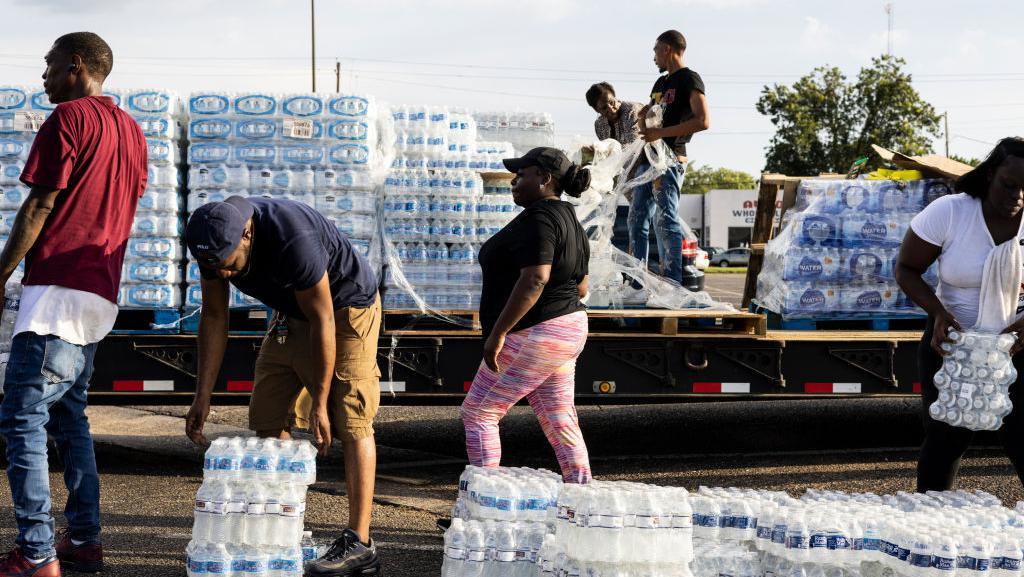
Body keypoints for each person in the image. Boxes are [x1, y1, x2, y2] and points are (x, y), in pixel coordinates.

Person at [0, 33, 147, 576]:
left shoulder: (67, 120)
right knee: (69, 418)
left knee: (21, 418)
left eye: (49, 65)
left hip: (55, 291)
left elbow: (40, 203)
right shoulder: (133, 132)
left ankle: (37, 553)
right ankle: (84, 540)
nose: (43, 76)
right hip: (99, 294)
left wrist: (1, 275)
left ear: (75, 65)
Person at [183, 196, 383, 577]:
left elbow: (323, 319)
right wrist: (202, 395)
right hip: (292, 311)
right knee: (268, 415)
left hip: (345, 309)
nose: (223, 275)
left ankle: (361, 542)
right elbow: (213, 316)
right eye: (213, 267)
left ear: (247, 233)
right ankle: (278, 529)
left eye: (228, 266)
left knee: (351, 418)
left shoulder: (293, 239)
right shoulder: (212, 241)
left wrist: (320, 403)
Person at [896, 137, 1024, 491]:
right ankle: (929, 530)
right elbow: (906, 268)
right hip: (952, 344)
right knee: (946, 439)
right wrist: (937, 313)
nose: (1018, 197)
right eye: (1010, 185)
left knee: (1022, 437)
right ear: (989, 176)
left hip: (1015, 348)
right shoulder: (951, 212)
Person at [461, 147, 594, 483]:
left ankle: (484, 507)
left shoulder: (540, 218)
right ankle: (580, 502)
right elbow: (581, 287)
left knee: (479, 412)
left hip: (535, 331)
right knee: (559, 418)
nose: (514, 181)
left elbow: (536, 278)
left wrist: (498, 333)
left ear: (545, 178)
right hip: (569, 328)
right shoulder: (571, 222)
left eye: (522, 174)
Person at [633, 29, 710, 287]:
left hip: (670, 160)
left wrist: (661, 133)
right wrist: (643, 117)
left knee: (665, 219)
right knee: (637, 219)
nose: (654, 57)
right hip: (648, 160)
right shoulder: (660, 84)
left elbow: (703, 121)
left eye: (655, 51)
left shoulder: (689, 79)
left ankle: (672, 286)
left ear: (667, 49)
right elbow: (648, 128)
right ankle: (636, 282)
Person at [587, 82, 644, 146]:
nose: (611, 109)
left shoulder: (631, 110)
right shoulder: (600, 125)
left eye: (612, 102)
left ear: (614, 96)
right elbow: (607, 151)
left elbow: (633, 147)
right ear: (596, 110)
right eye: (604, 108)